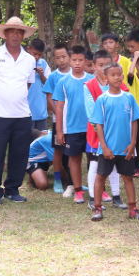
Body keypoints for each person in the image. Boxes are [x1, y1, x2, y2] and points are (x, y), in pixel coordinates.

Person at [0, 17, 38, 205]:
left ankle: (12, 189)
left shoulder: (29, 59)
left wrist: (14, 98)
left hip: (22, 115)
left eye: (19, 31)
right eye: (11, 31)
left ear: (23, 35)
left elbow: (28, 84)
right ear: (5, 34)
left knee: (19, 154)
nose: (15, 35)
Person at [88, 63, 139, 221]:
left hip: (125, 149)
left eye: (118, 74)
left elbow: (134, 121)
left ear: (123, 76)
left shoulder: (129, 98)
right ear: (105, 78)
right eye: (112, 75)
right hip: (107, 150)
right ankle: (97, 209)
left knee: (128, 178)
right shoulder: (102, 99)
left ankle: (133, 209)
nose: (116, 77)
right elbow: (98, 124)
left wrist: (133, 143)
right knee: (101, 177)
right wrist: (104, 146)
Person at [83, 49, 127, 207]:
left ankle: (116, 196)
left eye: (107, 65)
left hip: (116, 132)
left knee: (114, 165)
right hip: (96, 133)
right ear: (94, 66)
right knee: (95, 165)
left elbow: (124, 108)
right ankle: (92, 198)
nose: (103, 68)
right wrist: (102, 126)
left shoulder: (121, 85)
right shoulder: (88, 86)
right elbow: (91, 111)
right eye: (100, 65)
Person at [52, 45, 94, 204]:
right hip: (71, 128)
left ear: (85, 61)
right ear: (69, 60)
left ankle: (96, 188)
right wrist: (59, 131)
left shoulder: (92, 81)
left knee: (93, 159)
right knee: (74, 159)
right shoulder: (63, 82)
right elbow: (59, 108)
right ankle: (77, 190)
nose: (77, 63)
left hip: (91, 128)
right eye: (74, 60)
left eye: (80, 60)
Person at [44, 44, 73, 194]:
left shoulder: (76, 74)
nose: (61, 60)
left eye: (64, 57)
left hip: (74, 122)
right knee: (58, 150)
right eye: (57, 58)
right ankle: (57, 180)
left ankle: (73, 182)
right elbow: (49, 97)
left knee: (73, 151)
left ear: (69, 57)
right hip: (59, 122)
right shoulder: (53, 77)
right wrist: (59, 114)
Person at [26, 38, 51, 131]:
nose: (36, 57)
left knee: (42, 136)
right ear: (28, 49)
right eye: (34, 54)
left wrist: (41, 75)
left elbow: (48, 84)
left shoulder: (43, 63)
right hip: (25, 110)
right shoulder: (22, 63)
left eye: (39, 55)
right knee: (27, 136)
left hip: (40, 110)